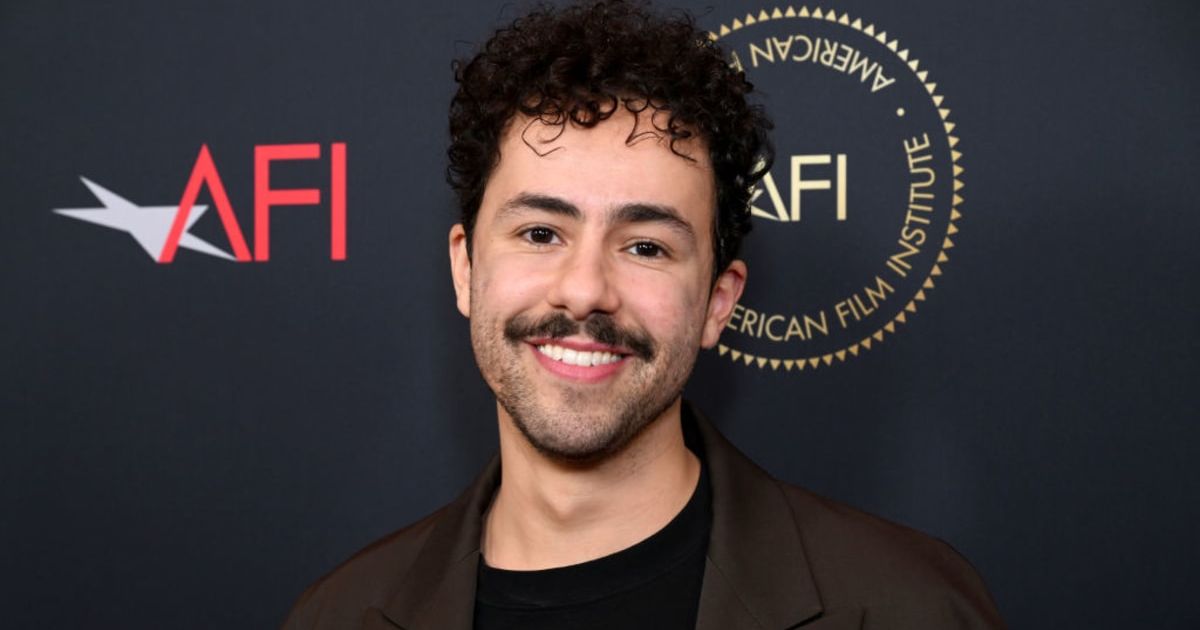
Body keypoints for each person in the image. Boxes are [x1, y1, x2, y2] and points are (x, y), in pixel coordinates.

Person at [283, 1, 1005, 628]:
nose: (586, 289)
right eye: (541, 233)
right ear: (466, 268)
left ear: (717, 304)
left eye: (646, 246)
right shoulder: (339, 616)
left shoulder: (908, 609)